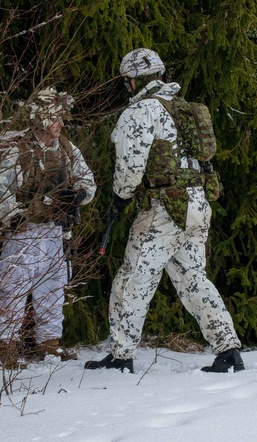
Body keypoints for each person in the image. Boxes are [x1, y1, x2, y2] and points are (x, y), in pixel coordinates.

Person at [85, 48, 244, 374]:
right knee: (193, 279)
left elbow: (130, 168)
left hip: (163, 210)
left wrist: (119, 197)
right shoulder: (181, 108)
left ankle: (121, 355)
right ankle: (228, 349)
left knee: (131, 281)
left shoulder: (140, 112)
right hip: (197, 204)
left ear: (132, 80)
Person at [0, 88, 96, 367]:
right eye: (54, 118)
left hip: (54, 232)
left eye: (61, 118)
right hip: (23, 234)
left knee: (52, 290)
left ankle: (49, 345)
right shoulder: (19, 149)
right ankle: (6, 349)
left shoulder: (67, 149)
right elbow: (0, 188)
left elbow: (87, 180)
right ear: (38, 119)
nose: (60, 124)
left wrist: (78, 196)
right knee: (12, 290)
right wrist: (13, 217)